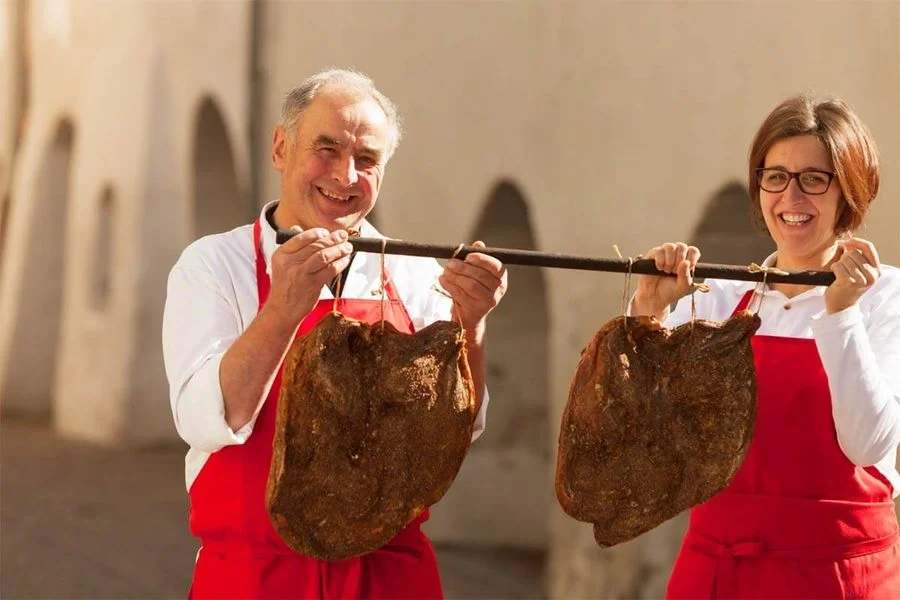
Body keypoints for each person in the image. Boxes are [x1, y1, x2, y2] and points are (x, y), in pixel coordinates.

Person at [162, 68, 508, 599]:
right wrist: (283, 308)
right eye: (327, 150)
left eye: (367, 159)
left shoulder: (415, 274)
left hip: (389, 576)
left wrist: (472, 322)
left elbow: (458, 428)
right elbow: (206, 420)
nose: (346, 176)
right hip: (256, 576)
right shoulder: (214, 265)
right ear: (281, 148)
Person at [631, 95, 900, 598]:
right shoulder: (717, 299)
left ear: (850, 191)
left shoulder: (887, 298)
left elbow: (868, 446)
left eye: (814, 179)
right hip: (716, 572)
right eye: (775, 176)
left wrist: (841, 314)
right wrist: (649, 312)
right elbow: (642, 434)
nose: (791, 197)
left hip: (837, 576)